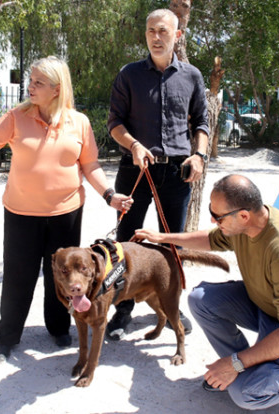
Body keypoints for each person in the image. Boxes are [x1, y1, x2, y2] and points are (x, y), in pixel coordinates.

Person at [0, 56, 133, 363]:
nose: (30, 87)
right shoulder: (16, 117)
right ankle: (6, 338)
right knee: (18, 276)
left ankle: (59, 328)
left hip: (66, 213)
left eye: (37, 83)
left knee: (61, 274)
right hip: (21, 214)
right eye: (30, 81)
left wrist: (109, 194)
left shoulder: (79, 123)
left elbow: (90, 165)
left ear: (57, 89)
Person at [132, 174, 279, 411]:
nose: (212, 219)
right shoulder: (245, 225)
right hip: (267, 306)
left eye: (218, 216)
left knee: (247, 395)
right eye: (212, 210)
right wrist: (165, 239)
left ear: (243, 215)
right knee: (201, 300)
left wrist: (234, 363)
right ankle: (243, 370)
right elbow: (210, 239)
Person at [105, 8, 210, 341]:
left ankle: (171, 307)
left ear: (177, 35)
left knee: (172, 241)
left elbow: (202, 124)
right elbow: (114, 124)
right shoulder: (129, 74)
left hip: (177, 173)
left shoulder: (192, 76)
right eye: (151, 31)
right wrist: (134, 145)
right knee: (126, 241)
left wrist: (199, 155)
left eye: (163, 30)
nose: (156, 36)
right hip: (135, 169)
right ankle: (122, 310)